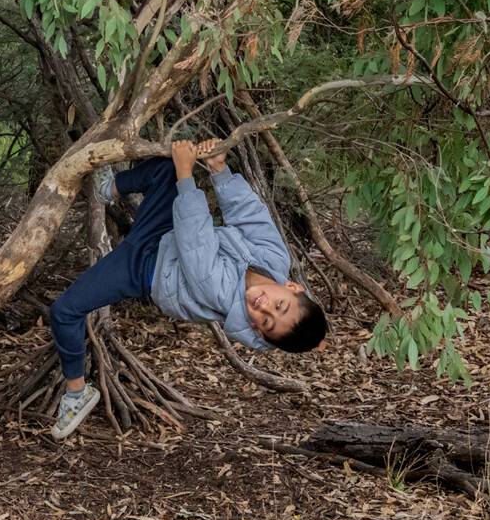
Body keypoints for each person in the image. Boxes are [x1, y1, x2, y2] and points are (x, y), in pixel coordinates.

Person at [49, 138, 328, 440]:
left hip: (143, 270)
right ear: (292, 287)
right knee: (167, 166)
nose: (263, 307)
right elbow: (248, 213)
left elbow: (197, 244)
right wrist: (219, 169)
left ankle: (76, 393)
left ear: (258, 331)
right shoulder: (275, 258)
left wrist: (187, 175)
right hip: (167, 235)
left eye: (265, 322)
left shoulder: (222, 297)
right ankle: (111, 188)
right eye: (279, 305)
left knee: (65, 310)